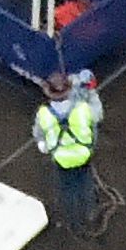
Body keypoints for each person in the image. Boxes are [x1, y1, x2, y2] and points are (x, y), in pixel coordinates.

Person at [33, 67, 106, 234]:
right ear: (69, 91)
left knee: (68, 189)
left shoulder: (43, 114)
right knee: (85, 184)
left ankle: (73, 221)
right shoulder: (83, 108)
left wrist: (45, 145)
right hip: (83, 156)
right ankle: (90, 214)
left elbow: (39, 136)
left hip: (61, 160)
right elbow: (98, 115)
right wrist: (91, 92)